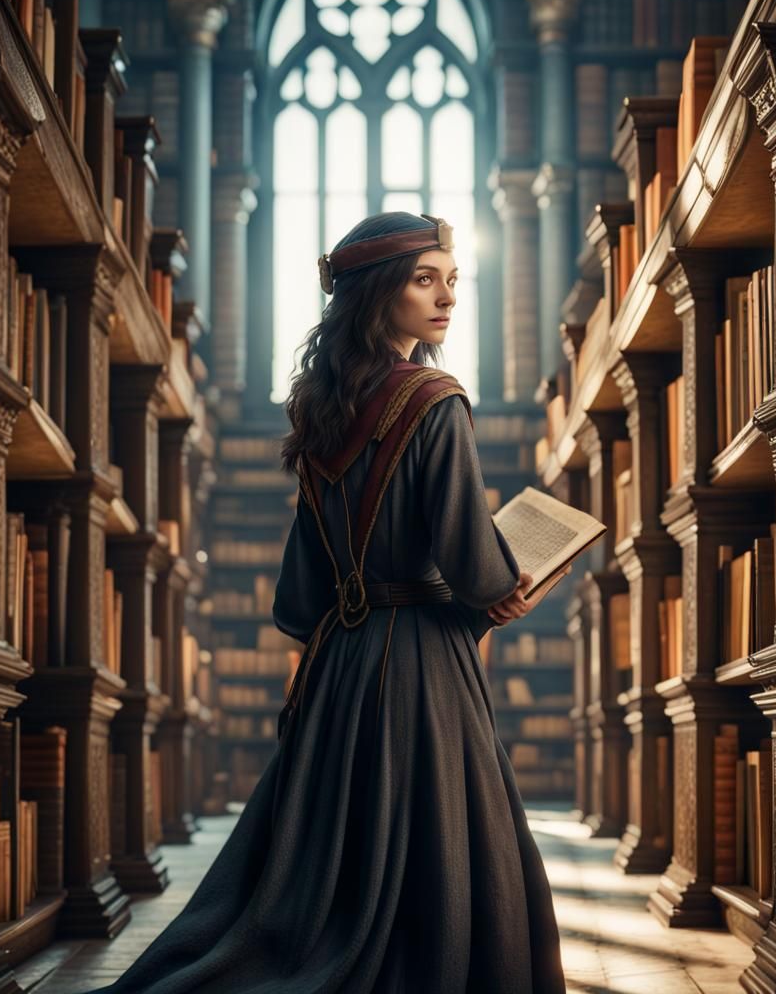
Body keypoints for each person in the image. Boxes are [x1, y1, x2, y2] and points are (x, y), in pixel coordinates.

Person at [84, 211, 567, 993]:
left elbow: (305, 578)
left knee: (323, 856)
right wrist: (505, 586)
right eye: (425, 280)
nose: (447, 297)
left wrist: (335, 641)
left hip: (339, 661)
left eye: (453, 280)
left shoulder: (319, 410)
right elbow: (473, 566)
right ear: (379, 294)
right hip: (418, 657)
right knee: (439, 838)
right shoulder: (436, 399)